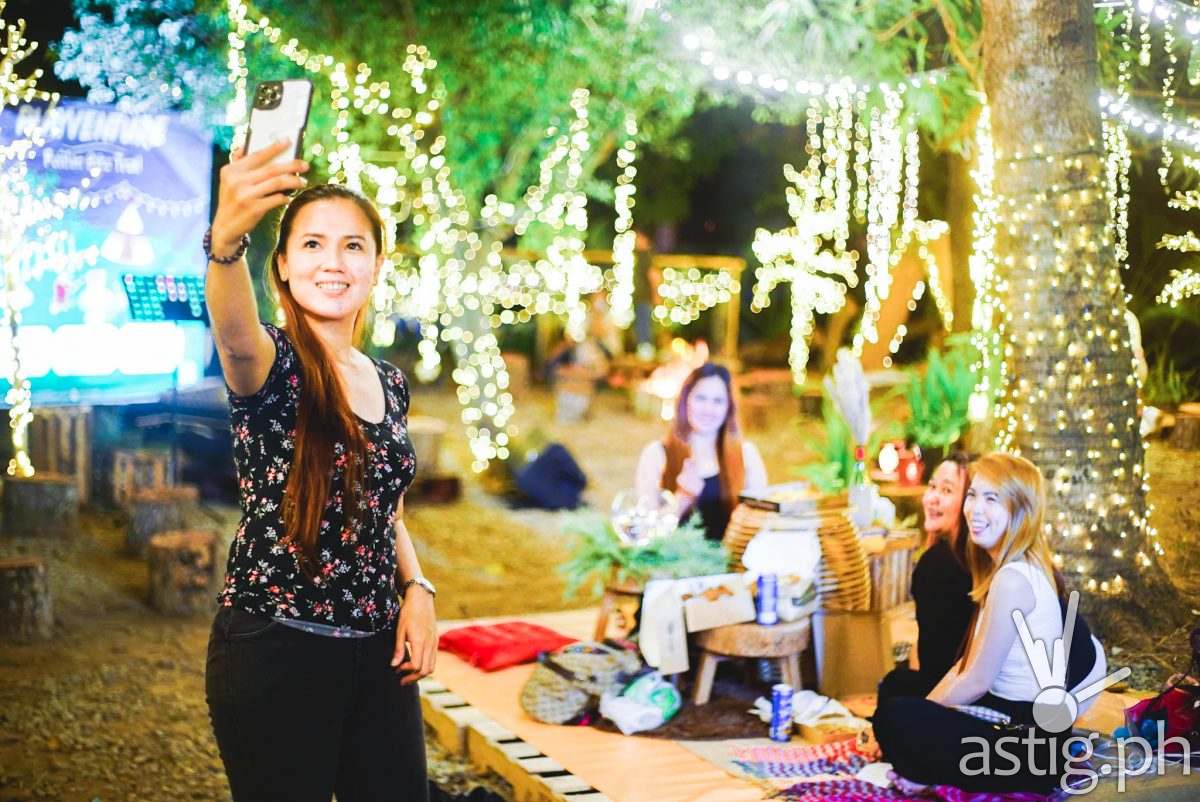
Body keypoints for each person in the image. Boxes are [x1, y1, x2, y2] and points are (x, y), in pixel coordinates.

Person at [202, 139, 435, 802]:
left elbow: (384, 506)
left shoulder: (389, 381)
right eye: (312, 244)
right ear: (281, 264)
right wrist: (226, 243)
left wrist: (417, 588)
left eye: (353, 246)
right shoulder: (270, 364)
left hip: (378, 654)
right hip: (277, 650)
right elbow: (233, 333)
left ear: (377, 266)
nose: (333, 261)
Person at [873, 453, 1107, 794]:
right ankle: (926, 767)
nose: (975, 509)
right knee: (900, 696)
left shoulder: (1013, 579)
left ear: (1020, 511)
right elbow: (963, 666)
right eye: (973, 495)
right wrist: (924, 711)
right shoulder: (1005, 569)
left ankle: (927, 773)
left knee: (894, 718)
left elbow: (976, 680)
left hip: (1031, 746)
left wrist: (921, 716)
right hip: (1018, 725)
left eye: (991, 499)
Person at [878, 453, 975, 702]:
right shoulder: (974, 557)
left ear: (970, 502)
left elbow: (934, 665)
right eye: (932, 487)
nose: (932, 498)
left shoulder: (939, 564)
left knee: (893, 687)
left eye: (947, 490)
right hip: (960, 687)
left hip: (954, 694)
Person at [634, 363, 768, 542]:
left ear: (729, 408)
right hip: (673, 559)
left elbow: (761, 523)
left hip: (732, 558)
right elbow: (644, 534)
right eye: (701, 398)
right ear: (685, 400)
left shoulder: (746, 455)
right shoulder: (657, 454)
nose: (708, 409)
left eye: (718, 401)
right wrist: (682, 497)